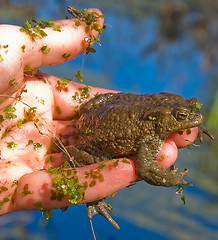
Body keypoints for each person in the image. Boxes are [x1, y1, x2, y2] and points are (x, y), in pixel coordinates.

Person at [0, 8, 198, 216]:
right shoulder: (151, 137)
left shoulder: (165, 112)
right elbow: (146, 169)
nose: (193, 118)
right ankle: (93, 198)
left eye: (190, 110)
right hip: (94, 141)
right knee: (99, 170)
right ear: (162, 121)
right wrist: (174, 179)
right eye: (183, 116)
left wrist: (194, 123)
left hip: (102, 109)